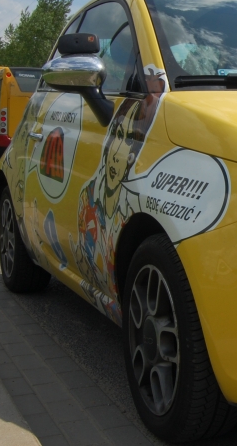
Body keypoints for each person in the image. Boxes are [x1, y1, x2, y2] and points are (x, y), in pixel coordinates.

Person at [69, 95, 158, 323]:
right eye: (118, 135)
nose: (119, 152)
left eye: (131, 141)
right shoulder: (89, 199)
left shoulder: (132, 206)